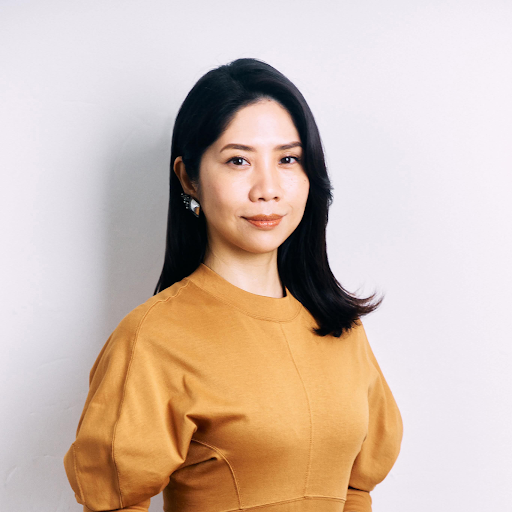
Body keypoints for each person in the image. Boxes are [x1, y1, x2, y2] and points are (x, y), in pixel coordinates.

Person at [63, 58, 403, 512]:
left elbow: (355, 491)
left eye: (288, 159)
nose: (267, 188)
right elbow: (113, 501)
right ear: (189, 178)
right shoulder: (152, 338)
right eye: (239, 160)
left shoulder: (341, 327)